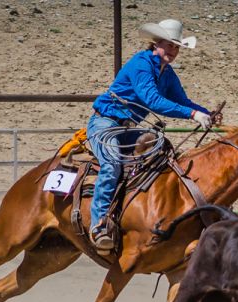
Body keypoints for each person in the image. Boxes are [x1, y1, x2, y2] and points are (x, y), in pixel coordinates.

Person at [88, 18, 217, 252]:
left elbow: (182, 101)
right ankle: (99, 225)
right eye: (169, 45)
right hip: (104, 123)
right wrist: (193, 115)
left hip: (128, 128)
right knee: (112, 164)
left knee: (162, 149)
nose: (173, 51)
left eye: (177, 47)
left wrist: (206, 113)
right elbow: (153, 100)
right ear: (156, 43)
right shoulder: (141, 64)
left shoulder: (166, 73)